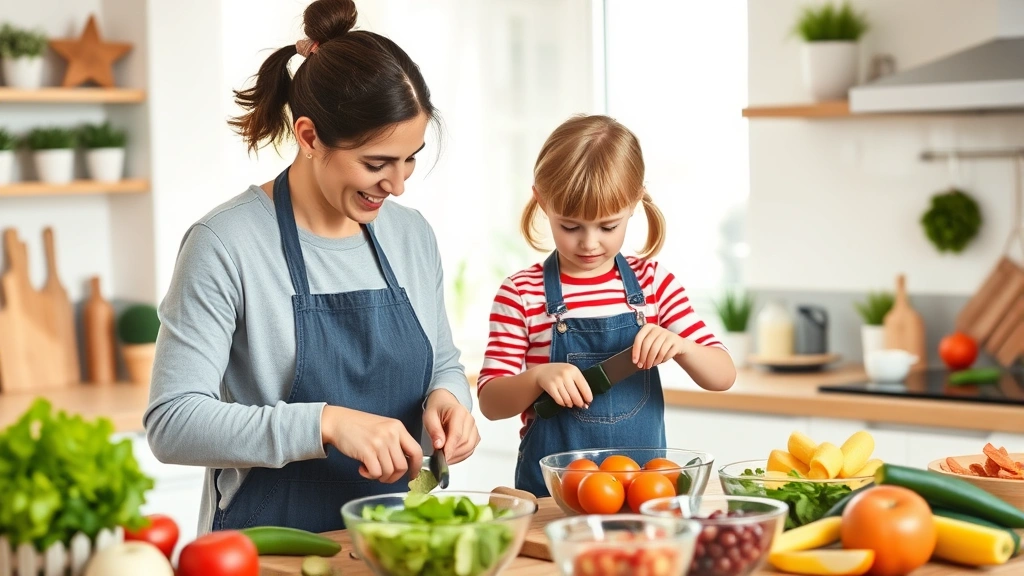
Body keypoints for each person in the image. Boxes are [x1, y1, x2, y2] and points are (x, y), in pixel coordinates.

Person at [144, 0, 479, 534]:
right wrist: (325, 423)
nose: (398, 184)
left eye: (410, 157)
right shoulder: (225, 243)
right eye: (375, 163)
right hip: (268, 547)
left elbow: (442, 362)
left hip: (396, 543)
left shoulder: (411, 234)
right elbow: (172, 422)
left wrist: (450, 398)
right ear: (308, 136)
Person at [476, 114, 736, 497]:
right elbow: (491, 402)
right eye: (570, 226)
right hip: (554, 498)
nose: (589, 243)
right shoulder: (522, 293)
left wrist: (681, 346)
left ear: (635, 203)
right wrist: (537, 378)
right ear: (541, 201)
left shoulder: (653, 284)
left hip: (643, 493)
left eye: (607, 226)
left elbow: (722, 375)